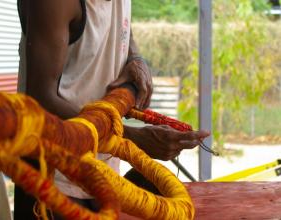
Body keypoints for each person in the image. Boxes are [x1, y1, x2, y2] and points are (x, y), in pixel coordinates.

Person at [15, 0, 210, 219]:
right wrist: (132, 139)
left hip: (101, 173)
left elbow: (123, 26)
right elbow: (40, 100)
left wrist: (135, 57)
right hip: (52, 179)